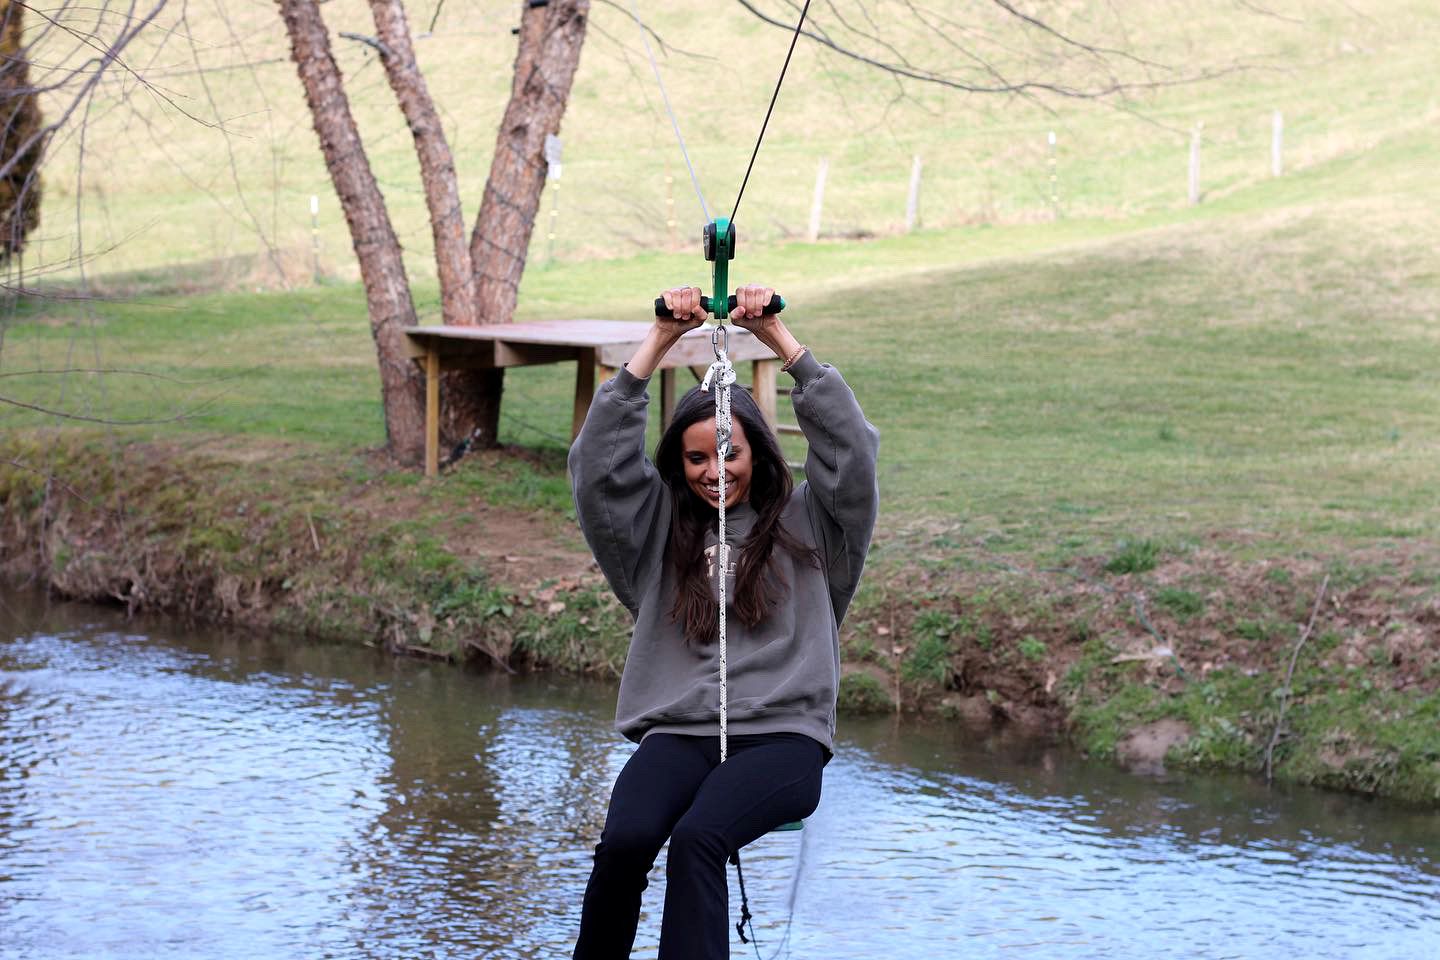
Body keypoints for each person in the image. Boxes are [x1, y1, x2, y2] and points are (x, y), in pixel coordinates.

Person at [568, 283, 880, 960]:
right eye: (697, 458)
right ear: (680, 465)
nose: (715, 472)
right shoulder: (656, 535)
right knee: (624, 840)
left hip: (783, 741)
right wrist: (656, 342)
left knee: (700, 838)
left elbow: (853, 456)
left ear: (758, 454)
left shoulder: (816, 529)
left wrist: (781, 343)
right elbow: (596, 470)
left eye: (730, 454)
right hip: (680, 735)